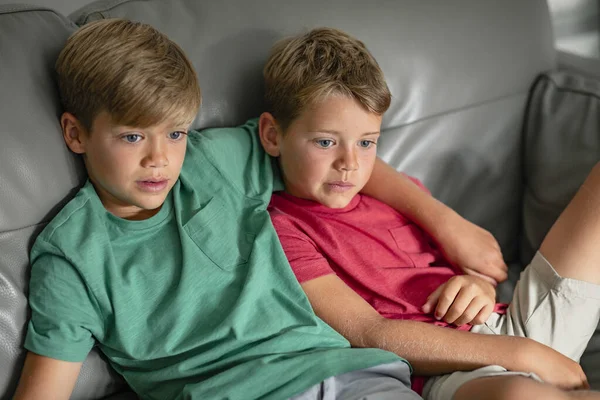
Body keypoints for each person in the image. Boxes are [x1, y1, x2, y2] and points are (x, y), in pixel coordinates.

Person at [12, 19, 504, 400]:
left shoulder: (212, 162)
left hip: (348, 375)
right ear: (75, 133)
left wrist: (444, 220)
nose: (160, 159)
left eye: (176, 132)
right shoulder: (72, 256)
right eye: (133, 136)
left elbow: (337, 154)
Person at [260, 27, 600, 400]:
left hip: (512, 320)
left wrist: (478, 287)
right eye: (326, 142)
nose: (350, 164)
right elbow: (368, 333)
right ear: (272, 136)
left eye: (367, 143)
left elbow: (482, 272)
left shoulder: (395, 192)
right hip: (448, 366)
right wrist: (526, 354)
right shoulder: (281, 228)